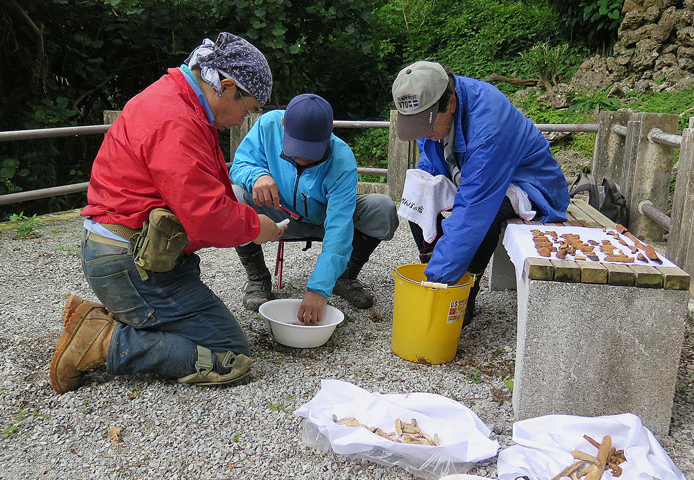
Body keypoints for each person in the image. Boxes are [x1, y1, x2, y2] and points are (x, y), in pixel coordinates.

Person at [49, 32, 284, 394]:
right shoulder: (175, 119)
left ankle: (114, 318)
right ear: (226, 85)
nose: (242, 120)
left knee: (206, 332)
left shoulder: (178, 101)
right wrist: (257, 227)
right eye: (248, 108)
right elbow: (205, 215)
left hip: (135, 253)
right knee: (228, 353)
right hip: (130, 261)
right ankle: (102, 340)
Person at [391, 60, 570, 326]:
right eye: (416, 126)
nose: (425, 134)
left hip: (528, 184)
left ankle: (462, 290)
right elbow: (430, 158)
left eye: (427, 126)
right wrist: (426, 190)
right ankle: (438, 265)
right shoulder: (430, 100)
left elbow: (474, 211)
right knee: (418, 195)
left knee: (486, 216)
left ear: (450, 103)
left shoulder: (488, 127)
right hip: (471, 174)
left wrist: (433, 285)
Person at [230, 93, 399, 325]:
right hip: (278, 214)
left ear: (330, 130)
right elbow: (239, 165)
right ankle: (258, 278)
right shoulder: (267, 125)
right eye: (296, 147)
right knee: (235, 195)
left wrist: (319, 289)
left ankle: (343, 277)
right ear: (283, 125)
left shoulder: (342, 158)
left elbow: (339, 226)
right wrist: (257, 175)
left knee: (382, 207)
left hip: (326, 218)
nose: (302, 157)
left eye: (311, 150)